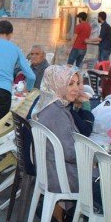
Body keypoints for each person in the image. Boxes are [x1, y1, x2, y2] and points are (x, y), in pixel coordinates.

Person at [31, 65, 85, 193]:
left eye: (77, 84)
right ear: (58, 84)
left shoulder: (46, 105)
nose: (76, 89)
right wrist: (94, 157)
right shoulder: (56, 112)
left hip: (50, 171)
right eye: (70, 84)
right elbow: (70, 153)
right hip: (62, 177)